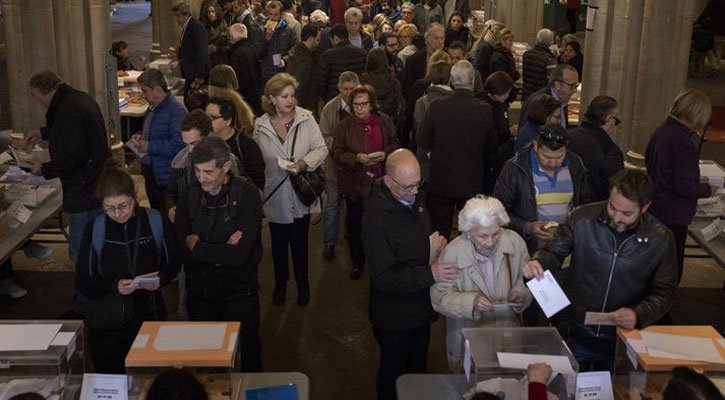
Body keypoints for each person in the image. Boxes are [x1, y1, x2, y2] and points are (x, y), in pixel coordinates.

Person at [522, 168, 677, 371]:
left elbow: (665, 291)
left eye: (627, 213)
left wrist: (638, 314)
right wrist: (538, 262)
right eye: (612, 207)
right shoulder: (582, 218)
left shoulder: (661, 239)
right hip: (576, 332)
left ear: (645, 207)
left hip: (623, 341)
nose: (617, 217)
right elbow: (554, 251)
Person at [362, 149, 457, 400]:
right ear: (389, 181)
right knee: (394, 376)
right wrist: (430, 273)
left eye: (418, 184)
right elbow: (383, 277)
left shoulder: (413, 200)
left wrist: (434, 246)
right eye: (408, 187)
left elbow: (419, 236)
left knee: (416, 372)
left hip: (420, 308)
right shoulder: (376, 220)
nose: (415, 192)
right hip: (395, 316)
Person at [76, 162, 179, 373]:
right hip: (107, 324)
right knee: (112, 380)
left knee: (150, 379)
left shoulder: (155, 221)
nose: (119, 213)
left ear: (135, 197)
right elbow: (83, 280)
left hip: (149, 317)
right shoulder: (95, 229)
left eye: (125, 205)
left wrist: (162, 278)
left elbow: (174, 261)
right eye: (110, 208)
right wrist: (114, 286)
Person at [174, 136, 263, 372]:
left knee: (248, 356)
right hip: (200, 295)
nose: (201, 178)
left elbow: (241, 255)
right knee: (206, 361)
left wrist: (199, 246)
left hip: (238, 295)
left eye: (208, 172)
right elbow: (181, 248)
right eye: (197, 171)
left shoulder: (248, 195)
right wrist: (223, 248)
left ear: (225, 167)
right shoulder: (190, 194)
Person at [430, 195, 532, 371]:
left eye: (495, 234)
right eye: (483, 236)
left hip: (508, 335)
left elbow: (526, 281)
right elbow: (438, 298)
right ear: (468, 232)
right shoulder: (453, 253)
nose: (490, 242)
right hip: (469, 338)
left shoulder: (515, 243)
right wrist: (471, 302)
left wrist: (522, 294)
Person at [253, 73, 328, 306]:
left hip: (299, 192)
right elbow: (257, 161)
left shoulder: (307, 119)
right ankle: (281, 284)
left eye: (292, 96)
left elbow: (321, 149)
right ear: (272, 99)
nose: (290, 101)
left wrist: (303, 163)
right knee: (277, 245)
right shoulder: (260, 126)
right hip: (275, 193)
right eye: (284, 96)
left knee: (300, 245)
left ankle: (303, 285)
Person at [24, 71, 111, 265]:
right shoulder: (74, 99)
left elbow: (73, 156)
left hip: (84, 187)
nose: (34, 99)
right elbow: (73, 132)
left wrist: (44, 169)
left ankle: (88, 287)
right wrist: (43, 133)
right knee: (96, 237)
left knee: (81, 248)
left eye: (33, 95)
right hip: (94, 180)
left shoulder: (65, 110)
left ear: (43, 92)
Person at [645, 88, 717, 285]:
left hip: (655, 206)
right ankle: (663, 310)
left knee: (656, 265)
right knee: (671, 270)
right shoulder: (683, 143)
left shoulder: (661, 131)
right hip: (673, 214)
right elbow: (685, 187)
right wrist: (707, 189)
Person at [418, 60, 495, 240]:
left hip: (440, 180)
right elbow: (491, 147)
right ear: (473, 81)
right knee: (469, 234)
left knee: (439, 233)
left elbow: (422, 140)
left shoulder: (437, 106)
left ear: (452, 80)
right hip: (471, 181)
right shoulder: (484, 110)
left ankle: (441, 266)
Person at [332, 84, 400, 279]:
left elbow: (395, 142)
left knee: (381, 225)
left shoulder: (384, 121)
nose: (359, 108)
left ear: (372, 104)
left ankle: (381, 260)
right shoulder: (345, 125)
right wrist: (356, 158)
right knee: (354, 227)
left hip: (381, 183)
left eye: (363, 104)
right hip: (356, 184)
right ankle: (357, 261)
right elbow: (336, 152)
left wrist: (385, 154)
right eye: (356, 104)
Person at [494, 124, 593, 255]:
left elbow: (585, 204)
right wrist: (526, 227)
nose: (553, 163)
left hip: (565, 251)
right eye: (547, 157)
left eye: (559, 157)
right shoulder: (515, 168)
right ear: (535, 146)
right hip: (527, 253)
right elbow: (497, 212)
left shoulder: (575, 164)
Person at [134, 68, 188, 213]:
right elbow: (154, 131)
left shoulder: (176, 111)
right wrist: (141, 136)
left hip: (166, 177)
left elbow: (179, 145)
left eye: (145, 91)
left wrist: (149, 146)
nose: (142, 94)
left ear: (157, 89)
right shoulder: (153, 107)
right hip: (152, 172)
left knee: (166, 216)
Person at [319, 72, 359, 260]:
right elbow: (324, 135)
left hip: (355, 167)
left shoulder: (362, 106)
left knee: (354, 205)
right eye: (346, 89)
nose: (349, 93)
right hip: (334, 166)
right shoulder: (329, 109)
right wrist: (341, 147)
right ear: (339, 88)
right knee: (332, 204)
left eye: (353, 89)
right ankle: (329, 242)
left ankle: (353, 236)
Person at [567, 96, 623, 201]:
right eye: (617, 121)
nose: (616, 126)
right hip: (591, 209)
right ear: (609, 119)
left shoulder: (568, 135)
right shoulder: (610, 151)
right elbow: (614, 190)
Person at [206, 96, 266, 190]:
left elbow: (258, 181)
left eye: (213, 117)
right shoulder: (204, 141)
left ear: (228, 120)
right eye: (206, 117)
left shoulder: (245, 145)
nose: (207, 121)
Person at [413, 60, 452, 179]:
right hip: (449, 158)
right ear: (450, 77)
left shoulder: (420, 102)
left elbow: (417, 129)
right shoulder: (455, 102)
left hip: (425, 158)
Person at [482, 71, 515, 194]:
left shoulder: (501, 103)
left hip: (501, 155)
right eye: (506, 92)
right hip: (490, 160)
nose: (508, 95)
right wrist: (508, 132)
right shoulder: (485, 107)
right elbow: (490, 135)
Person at [317, 23, 368, 102]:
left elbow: (321, 82)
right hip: (357, 98)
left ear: (335, 38)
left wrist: (326, 98)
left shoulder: (327, 56)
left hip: (333, 99)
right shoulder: (362, 53)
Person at [172, 2, 211, 103]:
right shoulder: (188, 26)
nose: (176, 20)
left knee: (193, 101)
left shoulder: (195, 27)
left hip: (195, 74)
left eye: (178, 16)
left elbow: (201, 52)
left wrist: (199, 76)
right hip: (190, 72)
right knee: (188, 100)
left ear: (185, 14)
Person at [519, 64, 579, 129]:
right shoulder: (539, 102)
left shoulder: (562, 99)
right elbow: (528, 133)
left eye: (576, 86)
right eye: (572, 86)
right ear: (558, 85)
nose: (575, 90)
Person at [360, 47, 405, 127]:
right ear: (385, 61)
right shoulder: (394, 82)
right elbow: (400, 106)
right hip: (389, 124)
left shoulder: (362, 80)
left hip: (367, 124)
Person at [286, 24, 322, 116]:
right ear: (311, 39)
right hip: (304, 108)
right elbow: (300, 86)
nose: (318, 43)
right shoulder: (306, 60)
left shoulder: (295, 52)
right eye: (317, 40)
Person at [228, 23, 263, 116]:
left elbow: (236, 80)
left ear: (232, 37)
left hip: (243, 98)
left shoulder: (236, 54)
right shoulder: (252, 49)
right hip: (255, 96)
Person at [259, 1, 298, 82]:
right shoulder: (261, 30)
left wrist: (285, 59)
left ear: (281, 15)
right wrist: (267, 38)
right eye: (270, 14)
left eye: (275, 15)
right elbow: (259, 53)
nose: (272, 18)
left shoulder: (289, 30)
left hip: (283, 72)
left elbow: (295, 49)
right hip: (267, 73)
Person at [403, 23, 445, 96]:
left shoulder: (449, 58)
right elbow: (407, 90)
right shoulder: (413, 60)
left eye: (442, 38)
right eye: (436, 38)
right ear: (427, 39)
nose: (440, 42)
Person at [522, 28, 557, 101]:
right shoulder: (550, 60)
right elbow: (551, 82)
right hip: (541, 99)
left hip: (527, 95)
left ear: (537, 39)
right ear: (551, 42)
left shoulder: (527, 54)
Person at [203, 1, 230, 66]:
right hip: (210, 60)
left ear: (217, 12)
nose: (210, 14)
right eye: (208, 12)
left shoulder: (224, 25)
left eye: (213, 11)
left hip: (223, 59)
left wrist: (217, 48)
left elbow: (229, 45)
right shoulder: (205, 27)